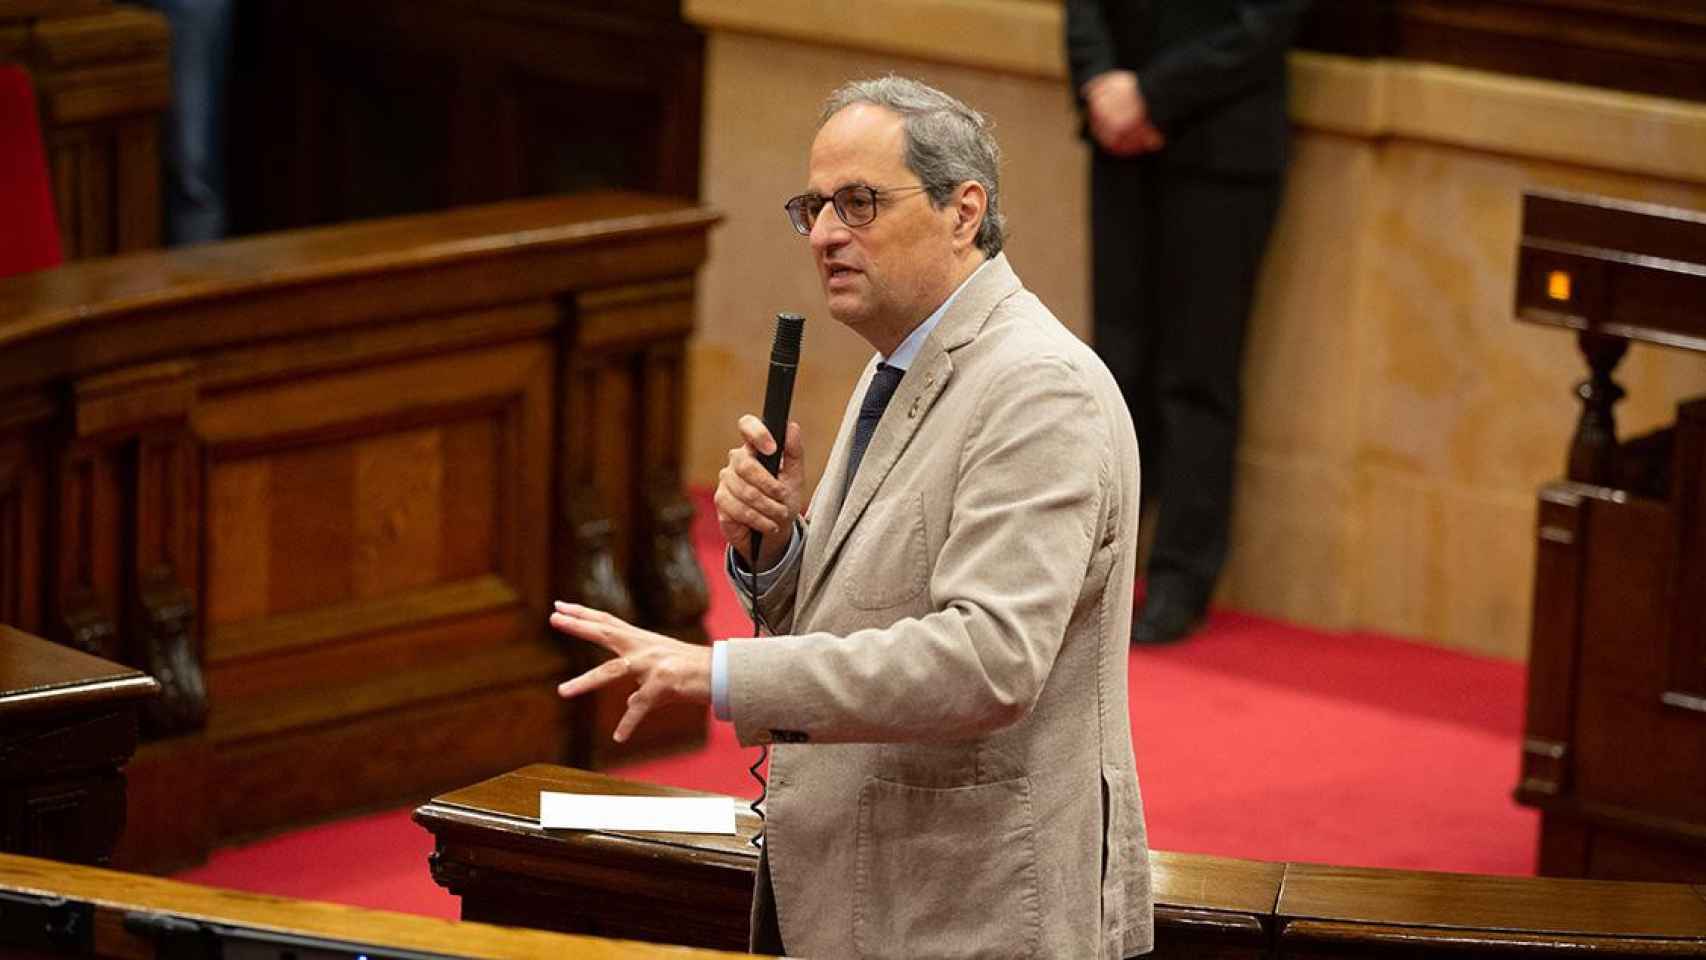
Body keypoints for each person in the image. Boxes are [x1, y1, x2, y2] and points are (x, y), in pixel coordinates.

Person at [552, 75, 1151, 960]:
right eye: (815, 207)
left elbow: (989, 659)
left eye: (859, 203)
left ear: (963, 209)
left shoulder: (1036, 389)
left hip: (976, 914)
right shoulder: (895, 363)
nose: (827, 233)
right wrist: (783, 548)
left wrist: (721, 676)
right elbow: (866, 610)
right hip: (878, 892)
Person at [1067, 0, 1308, 644]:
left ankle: (1180, 576)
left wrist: (1152, 94)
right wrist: (1099, 83)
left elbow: (1261, 25)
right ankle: (1086, 565)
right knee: (1112, 371)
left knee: (1198, 373)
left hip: (1224, 145)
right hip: (1119, 143)